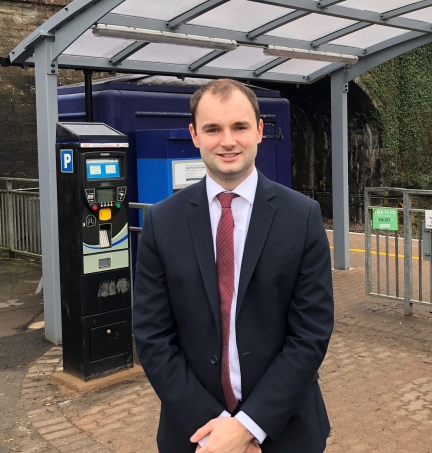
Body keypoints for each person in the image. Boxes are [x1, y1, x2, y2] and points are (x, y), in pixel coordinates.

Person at [133, 78, 334, 453]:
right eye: (213, 129)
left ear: (259, 131)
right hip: (195, 434)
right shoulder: (163, 223)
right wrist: (215, 430)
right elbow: (152, 337)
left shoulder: (302, 216)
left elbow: (311, 333)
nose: (228, 141)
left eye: (239, 127)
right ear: (195, 135)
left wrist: (248, 427)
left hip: (285, 431)